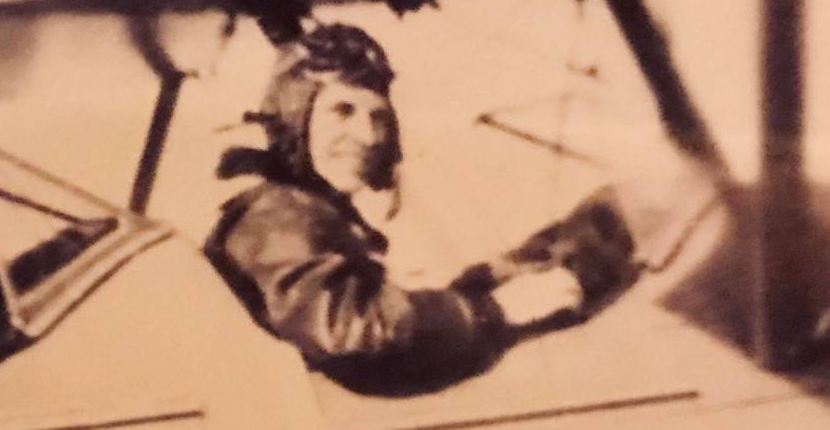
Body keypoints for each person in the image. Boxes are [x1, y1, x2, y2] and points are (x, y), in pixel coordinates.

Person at [204, 22, 634, 397]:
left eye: (378, 118)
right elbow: (350, 330)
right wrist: (496, 312)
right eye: (342, 111)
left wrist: (495, 291)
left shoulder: (297, 212)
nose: (368, 136)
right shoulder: (276, 216)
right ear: (298, 118)